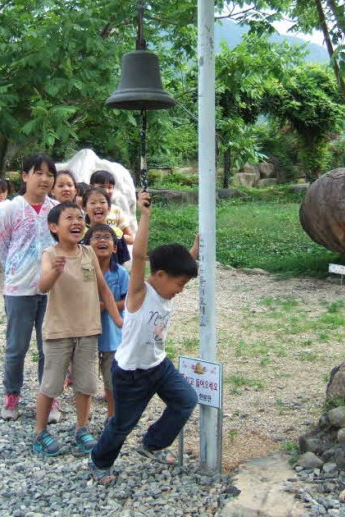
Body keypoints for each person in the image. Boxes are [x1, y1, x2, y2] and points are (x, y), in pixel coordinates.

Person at [88, 190, 199, 485]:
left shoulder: (166, 287)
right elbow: (138, 255)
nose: (181, 290)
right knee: (122, 424)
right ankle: (100, 461)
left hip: (159, 365)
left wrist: (194, 250)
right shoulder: (140, 293)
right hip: (131, 374)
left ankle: (152, 443)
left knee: (186, 400)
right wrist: (145, 215)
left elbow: (181, 268)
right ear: (159, 274)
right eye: (180, 284)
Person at [33, 202, 124, 456]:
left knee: (85, 384)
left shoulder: (88, 253)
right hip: (59, 332)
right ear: (54, 227)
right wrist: (55, 272)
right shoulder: (50, 254)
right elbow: (43, 286)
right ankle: (39, 432)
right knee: (51, 384)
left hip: (88, 331)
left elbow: (104, 290)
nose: (76, 222)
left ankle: (81, 428)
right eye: (69, 218)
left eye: (79, 218)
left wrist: (118, 320)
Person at [0, 154, 58, 422]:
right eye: (38, 173)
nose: (45, 179)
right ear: (25, 176)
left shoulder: (56, 209)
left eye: (50, 174)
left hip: (52, 290)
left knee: (50, 348)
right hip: (19, 289)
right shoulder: (12, 208)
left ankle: (49, 398)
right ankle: (12, 396)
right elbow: (1, 245)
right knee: (16, 348)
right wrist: (17, 270)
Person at [83, 223, 129, 422]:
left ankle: (112, 416)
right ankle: (84, 417)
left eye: (106, 237)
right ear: (86, 246)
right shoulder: (83, 272)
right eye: (96, 237)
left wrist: (105, 306)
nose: (102, 240)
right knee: (86, 379)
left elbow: (128, 302)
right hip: (87, 334)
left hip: (113, 337)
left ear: (115, 247)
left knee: (112, 381)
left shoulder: (121, 273)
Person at [82, 186, 130, 266]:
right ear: (84, 208)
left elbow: (122, 262)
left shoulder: (117, 233)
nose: (98, 206)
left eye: (102, 202)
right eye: (93, 203)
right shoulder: (80, 235)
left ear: (109, 208)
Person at [89, 170, 135, 245]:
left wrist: (113, 236)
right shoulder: (84, 210)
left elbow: (131, 239)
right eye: (101, 187)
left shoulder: (116, 211)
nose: (106, 191)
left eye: (110, 187)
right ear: (91, 187)